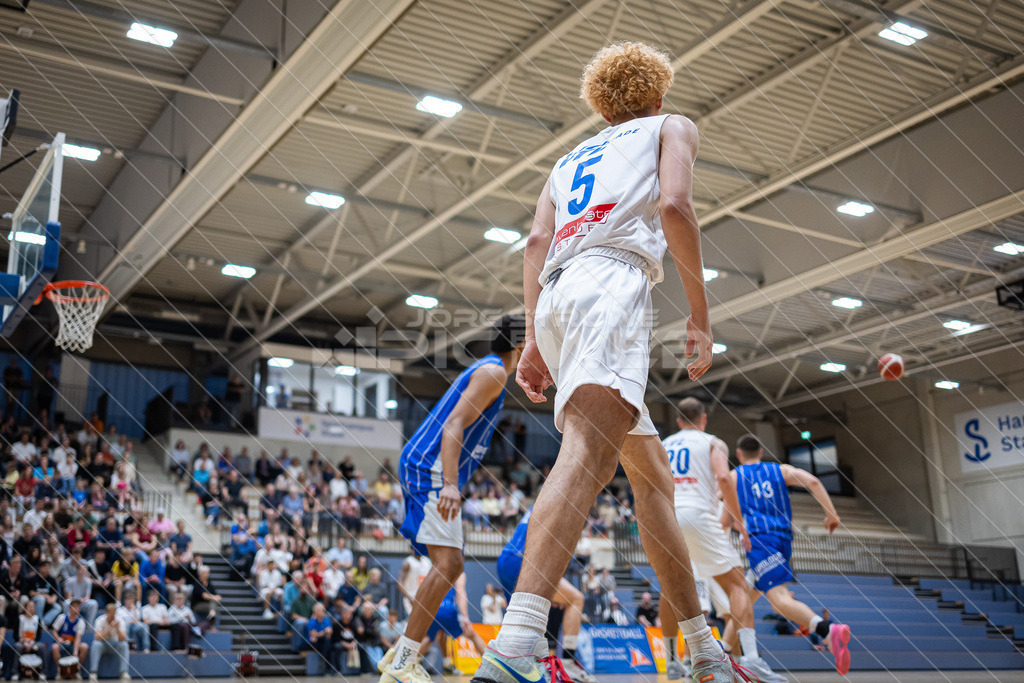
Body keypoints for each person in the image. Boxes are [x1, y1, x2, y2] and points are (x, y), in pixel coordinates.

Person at [474, 42, 730, 683]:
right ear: (657, 91)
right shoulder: (673, 125)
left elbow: (535, 244)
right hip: (610, 287)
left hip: (558, 296)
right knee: (586, 454)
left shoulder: (566, 160)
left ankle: (703, 652)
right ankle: (519, 641)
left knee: (653, 483)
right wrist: (700, 311)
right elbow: (675, 207)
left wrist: (534, 336)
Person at [380, 315, 525, 683]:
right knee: (449, 564)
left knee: (451, 565)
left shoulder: (491, 372)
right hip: (429, 467)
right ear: (521, 345)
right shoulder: (494, 372)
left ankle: (400, 654)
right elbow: (453, 425)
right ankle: (402, 664)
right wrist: (449, 483)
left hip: (423, 465)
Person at [658, 398, 783, 683]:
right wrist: (738, 520)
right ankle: (751, 660)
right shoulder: (712, 441)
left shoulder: (663, 443)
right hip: (699, 515)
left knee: (669, 588)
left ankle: (672, 661)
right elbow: (725, 479)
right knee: (738, 586)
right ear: (703, 419)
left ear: (678, 421)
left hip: (666, 517)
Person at [729, 434, 852, 676]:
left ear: (739, 454)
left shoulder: (735, 476)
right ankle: (724, 652)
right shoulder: (780, 470)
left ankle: (827, 630)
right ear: (761, 452)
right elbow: (814, 481)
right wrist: (831, 515)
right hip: (784, 540)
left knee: (779, 600)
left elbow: (722, 510)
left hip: (761, 540)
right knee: (743, 601)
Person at [494, 508, 595, 683]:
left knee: (519, 619)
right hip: (524, 561)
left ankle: (504, 667)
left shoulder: (540, 503)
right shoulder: (566, 511)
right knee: (576, 599)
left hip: (505, 560)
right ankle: (568, 663)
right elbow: (552, 550)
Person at [89, 602, 130, 681]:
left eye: (114, 612)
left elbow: (122, 639)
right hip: (103, 644)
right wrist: (109, 628)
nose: (113, 615)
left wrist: (117, 629)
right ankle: (93, 672)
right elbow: (97, 638)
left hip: (115, 644)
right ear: (106, 613)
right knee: (95, 644)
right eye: (111, 612)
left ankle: (124, 672)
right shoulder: (100, 620)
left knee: (124, 645)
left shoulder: (120, 620)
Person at [307, 602, 333, 669]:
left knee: (328, 642)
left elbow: (329, 633)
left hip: (324, 640)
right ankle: (324, 663)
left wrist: (319, 634)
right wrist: (324, 632)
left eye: (321, 610)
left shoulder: (326, 620)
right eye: (318, 610)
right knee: (318, 641)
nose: (320, 612)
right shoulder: (311, 621)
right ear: (315, 612)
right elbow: (313, 634)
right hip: (315, 642)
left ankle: (323, 661)